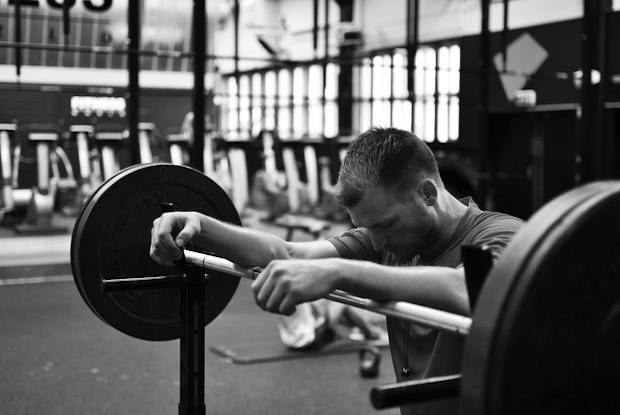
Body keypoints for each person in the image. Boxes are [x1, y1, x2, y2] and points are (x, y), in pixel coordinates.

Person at [150, 127, 524, 415]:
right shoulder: (394, 239)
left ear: (427, 193)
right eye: (368, 228)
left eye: (385, 225)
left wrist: (340, 273)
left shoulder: (502, 234)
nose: (376, 243)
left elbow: (468, 288)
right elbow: (289, 254)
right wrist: (201, 224)